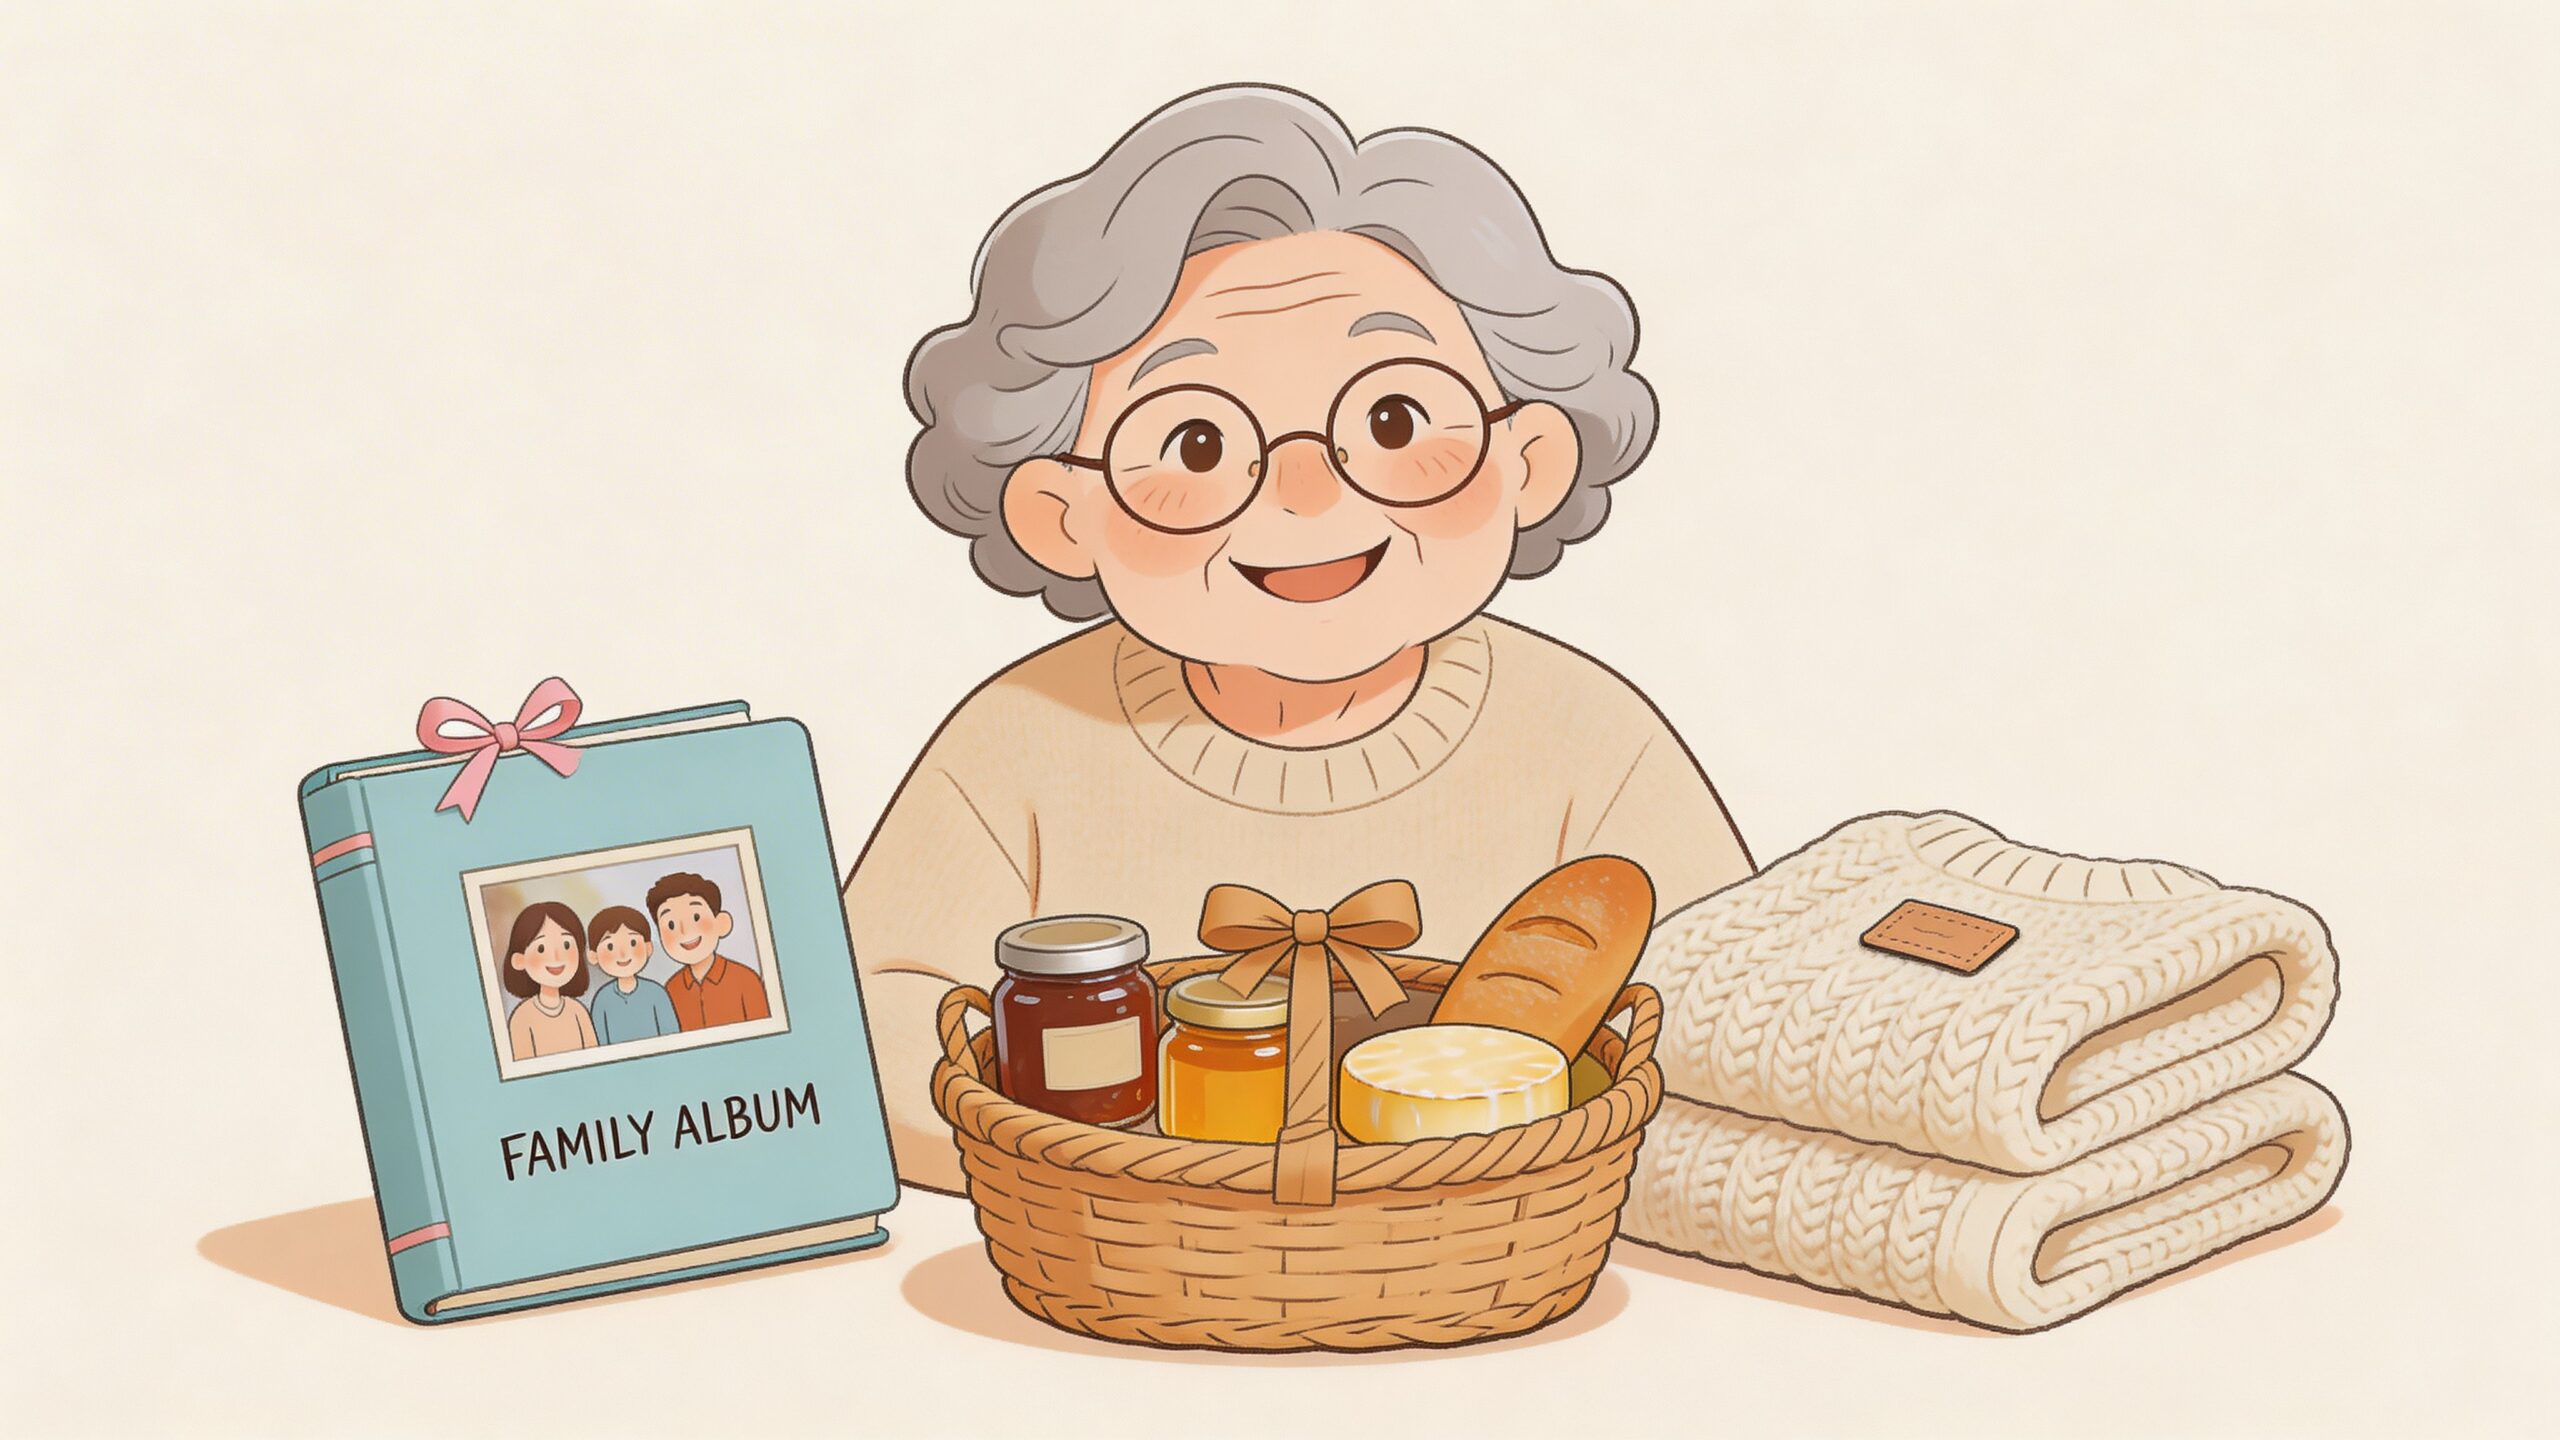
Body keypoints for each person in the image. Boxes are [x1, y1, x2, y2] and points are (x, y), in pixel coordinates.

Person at [843, 86, 1755, 1194]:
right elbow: (866, 1031)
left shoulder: (1587, 735)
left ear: (1529, 459)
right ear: (1059, 512)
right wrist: (1156, 1184)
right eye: (1194, 441)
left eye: (1394, 421)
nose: (1308, 493)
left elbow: (1735, 1027)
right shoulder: (1016, 741)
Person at [649, 872, 769, 1031]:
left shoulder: (746, 980)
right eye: (671, 925)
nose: (685, 931)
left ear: (721, 923)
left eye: (696, 917)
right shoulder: (671, 989)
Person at [500, 900, 597, 1061]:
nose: (557, 957)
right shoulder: (521, 1017)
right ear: (519, 960)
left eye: (566, 945)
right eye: (541, 948)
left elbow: (595, 1057)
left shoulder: (578, 1011)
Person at [584, 905, 680, 1046]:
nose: (623, 954)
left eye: (633, 943)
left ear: (648, 948)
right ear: (593, 956)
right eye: (610, 947)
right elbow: (599, 1044)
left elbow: (673, 1037)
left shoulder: (657, 993)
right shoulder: (602, 999)